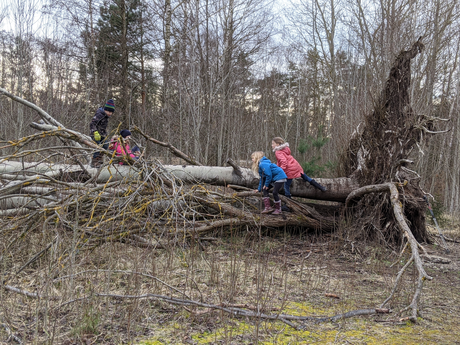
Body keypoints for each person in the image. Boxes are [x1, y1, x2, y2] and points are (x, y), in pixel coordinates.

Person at [89, 99, 115, 167]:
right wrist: (95, 132)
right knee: (98, 147)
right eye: (109, 111)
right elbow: (92, 124)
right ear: (105, 109)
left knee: (105, 146)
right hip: (95, 134)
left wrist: (105, 136)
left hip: (102, 134)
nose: (110, 113)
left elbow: (103, 128)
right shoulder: (99, 114)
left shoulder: (106, 117)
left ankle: (99, 160)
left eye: (111, 112)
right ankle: (94, 162)